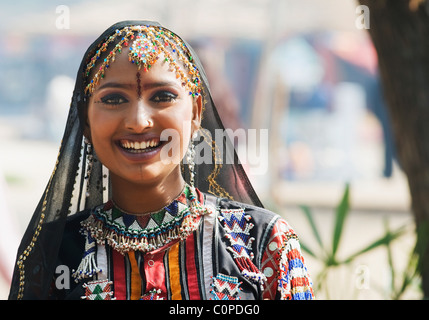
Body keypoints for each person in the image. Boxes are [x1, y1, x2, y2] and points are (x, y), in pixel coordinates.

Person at [8, 20, 314, 300]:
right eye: (114, 99)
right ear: (86, 122)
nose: (139, 122)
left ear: (195, 114)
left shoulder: (261, 243)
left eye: (162, 97)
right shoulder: (52, 254)